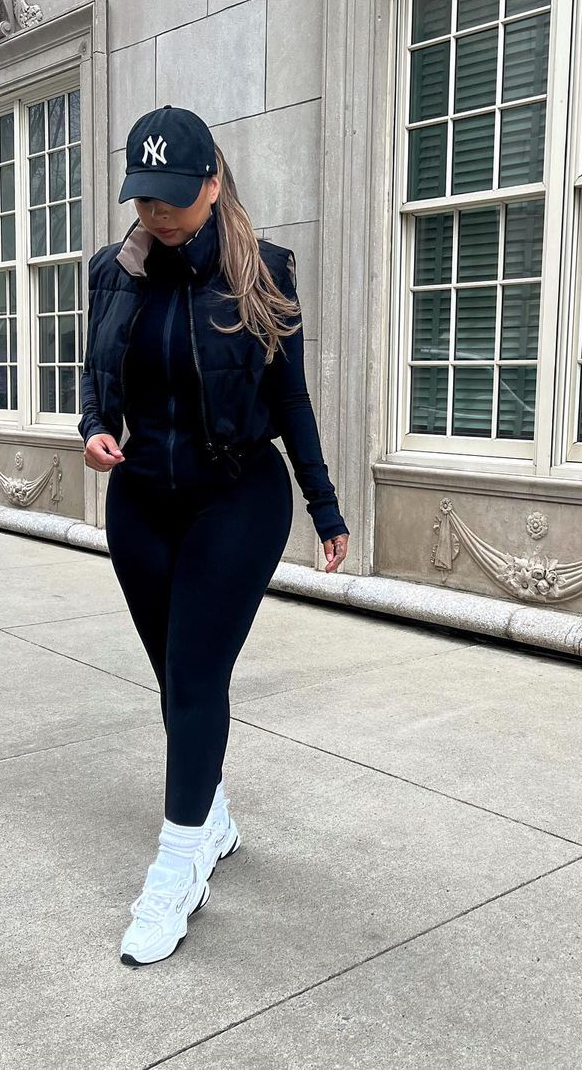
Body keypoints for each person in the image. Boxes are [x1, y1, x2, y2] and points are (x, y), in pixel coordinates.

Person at [78, 105, 349, 966]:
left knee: (196, 678)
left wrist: (325, 505)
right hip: (140, 502)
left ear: (213, 181)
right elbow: (96, 379)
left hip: (237, 498)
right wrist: (95, 428)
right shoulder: (111, 272)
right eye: (143, 198)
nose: (156, 214)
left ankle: (178, 865)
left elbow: (291, 398)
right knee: (175, 682)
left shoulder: (264, 272)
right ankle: (212, 817)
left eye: (172, 196)